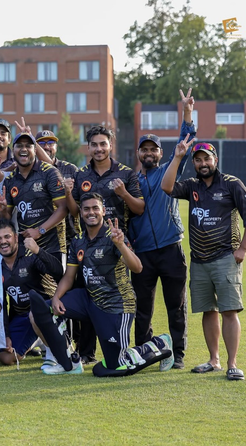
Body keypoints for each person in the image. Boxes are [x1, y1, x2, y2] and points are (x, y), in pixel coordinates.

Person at [30, 192, 174, 376]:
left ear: (103, 211)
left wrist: (120, 244)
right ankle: (71, 362)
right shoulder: (78, 241)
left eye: (95, 208)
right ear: (81, 212)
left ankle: (160, 344)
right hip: (89, 299)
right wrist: (57, 297)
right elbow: (69, 276)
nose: (91, 212)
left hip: (117, 304)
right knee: (43, 311)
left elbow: (137, 267)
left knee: (116, 364)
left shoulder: (113, 235)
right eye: (86, 209)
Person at [162, 138, 246, 380]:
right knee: (208, 311)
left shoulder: (231, 184)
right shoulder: (192, 186)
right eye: (198, 160)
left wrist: (242, 249)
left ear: (215, 160)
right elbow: (167, 187)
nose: (202, 163)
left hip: (225, 258)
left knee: (229, 311)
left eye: (206, 159)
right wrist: (178, 157)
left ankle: (232, 364)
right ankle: (214, 360)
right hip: (199, 261)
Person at [64, 125, 144, 364]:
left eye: (103, 144)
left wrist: (124, 194)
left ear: (110, 145)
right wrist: (68, 193)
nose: (99, 149)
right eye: (94, 144)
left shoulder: (126, 173)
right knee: (90, 295)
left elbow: (139, 208)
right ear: (88, 147)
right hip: (87, 247)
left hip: (116, 247)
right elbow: (75, 212)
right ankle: (86, 352)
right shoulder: (81, 175)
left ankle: (131, 346)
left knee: (120, 297)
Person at [128, 88, 196, 370]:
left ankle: (177, 353)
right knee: (142, 308)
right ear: (138, 153)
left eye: (153, 149)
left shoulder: (170, 170)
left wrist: (187, 112)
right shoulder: (130, 181)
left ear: (160, 153)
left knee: (175, 305)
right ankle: (145, 353)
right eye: (144, 149)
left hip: (170, 249)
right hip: (142, 253)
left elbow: (184, 142)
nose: (148, 153)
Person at [0, 220, 63, 366]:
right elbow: (2, 304)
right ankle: (38, 338)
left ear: (15, 237)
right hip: (22, 316)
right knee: (6, 358)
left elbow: (58, 271)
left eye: (7, 237)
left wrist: (38, 250)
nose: (3, 242)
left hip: (48, 308)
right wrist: (6, 335)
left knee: (35, 314)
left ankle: (56, 353)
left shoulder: (30, 254)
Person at [0, 132, 68, 255]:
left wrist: (40, 230)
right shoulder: (10, 180)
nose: (24, 149)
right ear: (13, 150)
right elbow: (5, 219)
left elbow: (63, 208)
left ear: (35, 150)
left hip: (53, 247)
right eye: (19, 146)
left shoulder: (49, 172)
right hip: (26, 248)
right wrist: (2, 210)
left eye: (28, 146)